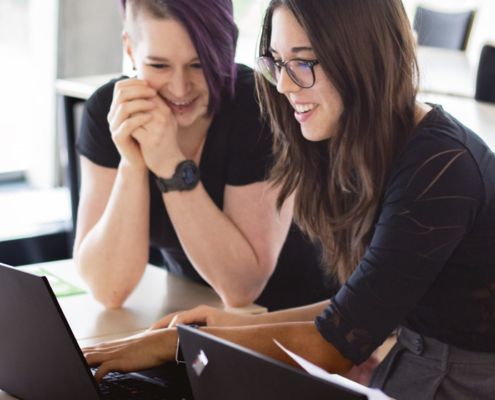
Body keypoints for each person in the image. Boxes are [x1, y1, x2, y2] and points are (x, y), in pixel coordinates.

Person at [83, 0, 495, 398]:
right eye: (278, 62)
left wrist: (175, 344)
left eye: (302, 62)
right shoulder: (366, 141)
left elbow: (335, 344)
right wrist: (222, 329)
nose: (282, 84)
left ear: (359, 55)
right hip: (415, 365)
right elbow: (359, 307)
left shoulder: (440, 167)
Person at [74, 0, 335, 312]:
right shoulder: (111, 111)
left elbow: (242, 288)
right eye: (159, 65)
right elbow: (108, 289)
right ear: (130, 49)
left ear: (227, 48)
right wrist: (132, 164)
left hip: (302, 320)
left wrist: (171, 166)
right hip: (194, 315)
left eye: (198, 64)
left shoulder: (258, 108)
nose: (180, 87)